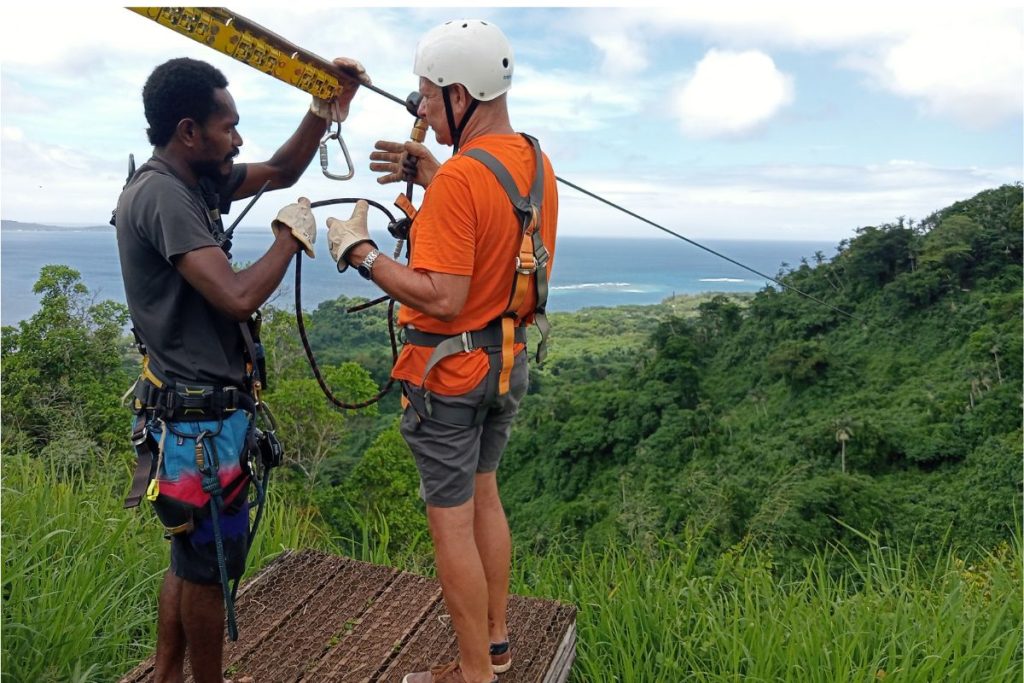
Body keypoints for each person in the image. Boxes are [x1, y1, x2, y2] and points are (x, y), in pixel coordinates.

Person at [114, 55, 366, 683]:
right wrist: (288, 237)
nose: (238, 139)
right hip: (198, 426)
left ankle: (168, 674)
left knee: (191, 558)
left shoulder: (196, 181)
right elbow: (235, 296)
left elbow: (280, 170)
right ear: (188, 130)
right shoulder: (164, 197)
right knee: (208, 567)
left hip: (193, 415)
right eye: (227, 127)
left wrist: (323, 109)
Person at [327, 19, 558, 683]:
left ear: (462, 92)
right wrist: (437, 177)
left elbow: (443, 295)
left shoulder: (462, 178)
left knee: (451, 523)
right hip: (504, 362)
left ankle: (471, 673)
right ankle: (496, 642)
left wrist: (361, 253)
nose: (421, 107)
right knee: (486, 493)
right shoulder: (534, 163)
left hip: (449, 375)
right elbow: (494, 232)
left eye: (429, 95)